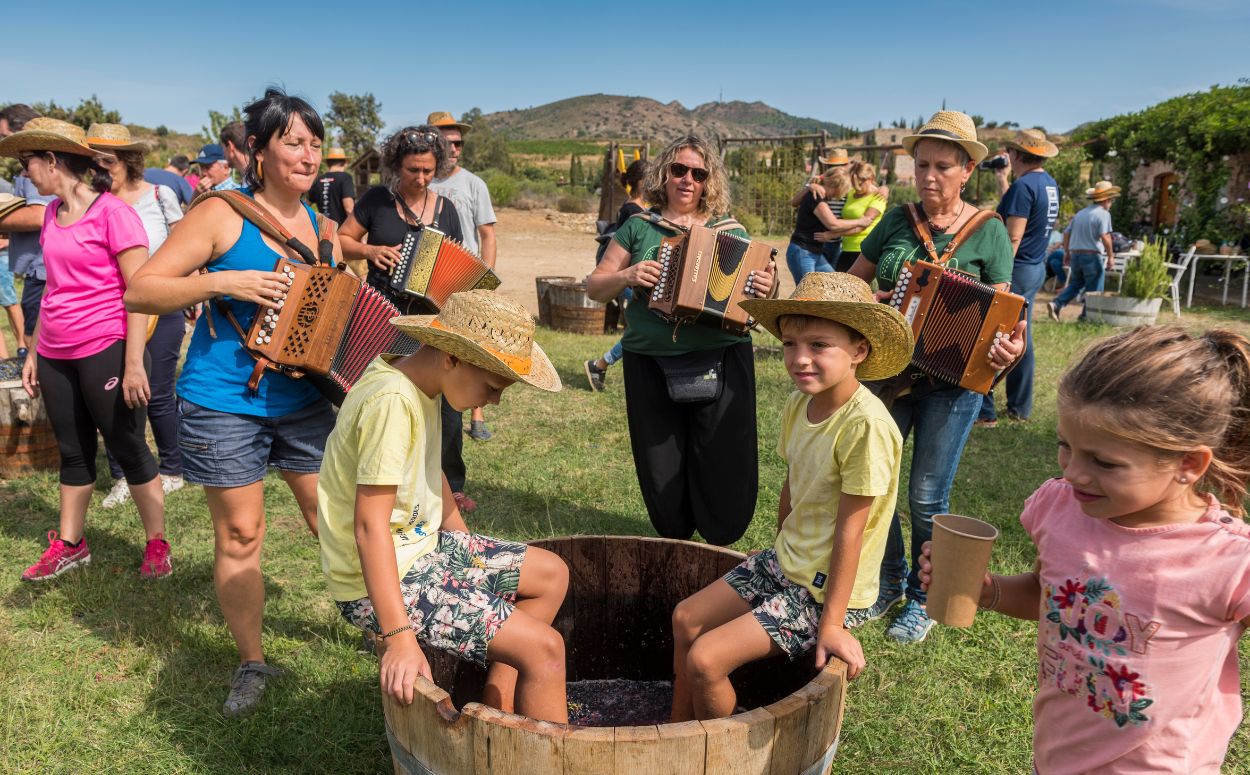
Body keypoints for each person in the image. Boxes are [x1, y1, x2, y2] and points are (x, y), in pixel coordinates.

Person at [920, 326, 1250, 773]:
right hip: (1058, 756)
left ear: (1188, 464)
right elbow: (1051, 597)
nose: (1073, 473)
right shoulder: (1059, 510)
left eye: (1104, 462)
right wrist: (987, 591)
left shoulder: (1228, 559)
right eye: (1065, 446)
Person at [125, 88, 339, 716]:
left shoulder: (324, 228)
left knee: (333, 519)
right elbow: (141, 289)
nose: (307, 155)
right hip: (222, 401)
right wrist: (223, 280)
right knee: (242, 532)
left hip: (303, 400)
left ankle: (384, 627)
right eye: (292, 142)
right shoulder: (221, 213)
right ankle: (252, 662)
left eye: (315, 144)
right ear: (257, 151)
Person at [318, 290, 570, 722]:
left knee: (552, 574)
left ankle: (499, 703)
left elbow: (430, 470)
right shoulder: (392, 402)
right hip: (378, 581)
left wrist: (466, 547)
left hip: (421, 551)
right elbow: (369, 527)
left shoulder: (421, 385)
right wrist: (398, 636)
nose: (494, 402)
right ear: (451, 358)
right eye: (492, 388)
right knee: (546, 649)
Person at [669, 272, 912, 721]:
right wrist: (780, 546)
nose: (800, 359)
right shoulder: (801, 402)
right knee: (686, 618)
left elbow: (851, 532)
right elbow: (793, 484)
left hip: (826, 591)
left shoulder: (866, 427)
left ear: (859, 351)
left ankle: (721, 755)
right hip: (787, 561)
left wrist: (833, 623)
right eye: (789, 344)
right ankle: (676, 729)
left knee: (706, 659)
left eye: (819, 345)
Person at [846, 110, 1025, 643]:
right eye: (921, 164)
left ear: (967, 170)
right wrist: (873, 300)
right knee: (876, 484)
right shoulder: (896, 220)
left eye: (942, 167)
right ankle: (887, 578)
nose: (928, 176)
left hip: (954, 383)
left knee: (926, 494)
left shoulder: (988, 232)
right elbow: (853, 282)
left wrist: (1009, 348)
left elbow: (1009, 312)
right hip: (887, 371)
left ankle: (922, 598)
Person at [0, 118, 168, 581]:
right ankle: (71, 544)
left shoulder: (114, 213)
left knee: (128, 445)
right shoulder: (52, 213)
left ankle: (157, 543)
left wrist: (134, 363)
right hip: (55, 351)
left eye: (27, 162)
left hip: (107, 348)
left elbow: (142, 292)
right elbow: (55, 287)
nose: (24, 172)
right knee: (73, 452)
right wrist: (34, 349)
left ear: (52, 161)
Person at [587, 133, 775, 546]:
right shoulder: (639, 227)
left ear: (709, 181)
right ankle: (675, 534)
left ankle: (720, 536)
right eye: (679, 170)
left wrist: (766, 285)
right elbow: (595, 285)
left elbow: (755, 294)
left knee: (721, 455)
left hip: (722, 356)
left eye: (698, 173)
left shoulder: (731, 230)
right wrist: (627, 276)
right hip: (649, 359)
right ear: (664, 174)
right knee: (661, 459)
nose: (687, 179)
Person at [337, 127, 476, 515]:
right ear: (397, 166)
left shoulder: (446, 209)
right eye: (413, 169)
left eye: (428, 171)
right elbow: (343, 239)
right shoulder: (377, 200)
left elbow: (458, 264)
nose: (421, 178)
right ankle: (380, 483)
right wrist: (371, 250)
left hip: (434, 323)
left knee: (446, 407)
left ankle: (451, 486)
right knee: (383, 399)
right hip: (383, 316)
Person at [86, 123, 187, 507]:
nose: (100, 169)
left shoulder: (160, 197)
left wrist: (188, 287)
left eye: (107, 161)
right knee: (110, 397)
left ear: (128, 161)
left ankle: (172, 469)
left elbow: (182, 245)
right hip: (108, 312)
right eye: (93, 161)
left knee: (157, 391)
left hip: (159, 307)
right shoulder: (91, 204)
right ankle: (123, 475)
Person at [976, 129, 1061, 426]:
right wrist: (1004, 182)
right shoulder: (1047, 184)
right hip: (1036, 265)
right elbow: (1019, 215)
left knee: (991, 333)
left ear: (1015, 154)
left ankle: (984, 411)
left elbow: (1013, 235)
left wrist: (1002, 276)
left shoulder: (1023, 187)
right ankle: (1019, 407)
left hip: (1017, 268)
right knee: (1022, 337)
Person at [428, 111, 498, 443]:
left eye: (459, 142)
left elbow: (487, 234)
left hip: (465, 279)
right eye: (448, 142)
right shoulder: (421, 179)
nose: (456, 148)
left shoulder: (474, 184)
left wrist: (486, 279)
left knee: (468, 350)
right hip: (426, 282)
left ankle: (477, 413)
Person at [584, 158, 649, 392]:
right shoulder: (634, 211)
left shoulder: (635, 208)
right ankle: (600, 364)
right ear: (641, 181)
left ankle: (600, 364)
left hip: (635, 278)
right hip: (631, 278)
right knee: (641, 329)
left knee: (640, 329)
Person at [0, 104, 53, 347]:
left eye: (5, 135)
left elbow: (38, 216)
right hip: (41, 268)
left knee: (36, 341)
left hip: (42, 269)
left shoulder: (36, 165)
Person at [1047, 181, 1119, 322]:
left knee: (1076, 284)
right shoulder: (1103, 214)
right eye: (1112, 200)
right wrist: (1111, 256)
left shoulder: (1080, 213)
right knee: (1095, 287)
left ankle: (1057, 304)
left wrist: (1067, 252)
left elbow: (1066, 233)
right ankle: (1086, 317)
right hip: (1092, 255)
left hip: (1076, 254)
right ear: (1107, 200)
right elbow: (1105, 236)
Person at [785, 164, 852, 282]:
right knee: (806, 295)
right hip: (803, 251)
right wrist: (861, 221)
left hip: (814, 252)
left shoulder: (819, 194)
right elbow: (833, 224)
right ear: (837, 186)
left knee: (833, 284)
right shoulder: (816, 196)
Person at [819, 161, 887, 272]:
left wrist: (833, 234)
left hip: (864, 251)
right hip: (846, 248)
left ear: (871, 179)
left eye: (861, 182)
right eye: (855, 181)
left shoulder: (878, 198)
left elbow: (862, 226)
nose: (857, 185)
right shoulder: (851, 194)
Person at [309, 146, 355, 225]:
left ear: (328, 163)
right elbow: (349, 209)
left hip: (323, 230)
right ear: (344, 162)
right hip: (340, 231)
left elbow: (306, 205)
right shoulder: (345, 178)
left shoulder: (317, 180)